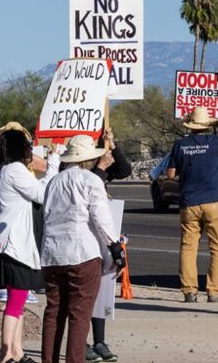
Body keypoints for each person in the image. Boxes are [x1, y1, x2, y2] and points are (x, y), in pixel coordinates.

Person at [41, 135, 123, 363]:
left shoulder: (54, 182)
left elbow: (46, 215)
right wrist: (116, 249)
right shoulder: (90, 180)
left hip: (53, 253)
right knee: (80, 315)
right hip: (82, 253)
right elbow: (101, 218)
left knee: (54, 312)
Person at [166, 103, 218, 303]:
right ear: (208, 125)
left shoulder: (180, 145)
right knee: (217, 247)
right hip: (213, 201)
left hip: (189, 201)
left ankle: (189, 291)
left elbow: (171, 174)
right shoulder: (215, 142)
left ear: (191, 125)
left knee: (188, 247)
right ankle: (214, 291)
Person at [0, 129, 59, 363]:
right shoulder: (15, 170)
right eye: (28, 145)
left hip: (8, 245)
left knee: (16, 300)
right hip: (15, 246)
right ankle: (6, 353)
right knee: (16, 300)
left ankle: (17, 351)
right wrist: (53, 162)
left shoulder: (3, 171)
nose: (31, 149)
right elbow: (44, 194)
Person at [87, 128, 132, 363]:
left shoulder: (98, 164)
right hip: (81, 237)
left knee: (101, 289)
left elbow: (124, 170)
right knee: (83, 294)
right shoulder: (72, 169)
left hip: (101, 234)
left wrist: (112, 145)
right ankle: (80, 342)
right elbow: (89, 187)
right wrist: (101, 168)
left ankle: (99, 341)